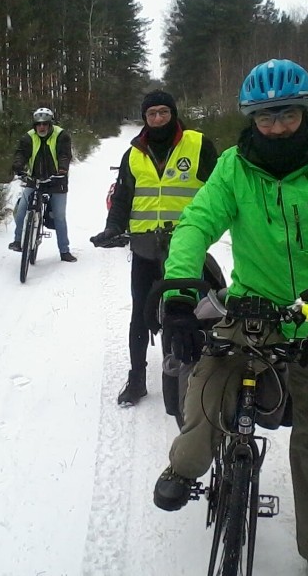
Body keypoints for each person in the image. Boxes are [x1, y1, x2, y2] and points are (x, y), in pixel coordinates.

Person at [152, 60, 308, 576]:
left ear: (304, 111)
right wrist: (183, 293)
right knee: (208, 388)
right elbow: (196, 223)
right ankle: (185, 468)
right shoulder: (234, 165)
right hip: (253, 306)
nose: (275, 126)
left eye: (286, 115)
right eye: (264, 117)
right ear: (251, 117)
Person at [90, 90, 219, 406]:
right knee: (140, 313)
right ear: (144, 118)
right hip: (146, 248)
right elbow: (122, 198)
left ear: (173, 113)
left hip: (188, 247)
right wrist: (113, 228)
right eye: (152, 114)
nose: (158, 118)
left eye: (163, 112)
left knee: (204, 311)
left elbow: (221, 191)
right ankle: (136, 379)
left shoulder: (199, 145)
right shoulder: (133, 154)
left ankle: (209, 373)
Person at [9, 107, 76, 262]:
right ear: (34, 125)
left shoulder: (61, 135)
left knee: (59, 216)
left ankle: (64, 251)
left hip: (57, 180)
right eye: (38, 124)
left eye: (45, 124)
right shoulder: (28, 137)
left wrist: (62, 169)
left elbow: (64, 154)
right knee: (21, 210)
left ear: (50, 123)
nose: (42, 127)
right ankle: (18, 241)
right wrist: (18, 166)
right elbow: (21, 153)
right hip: (34, 179)